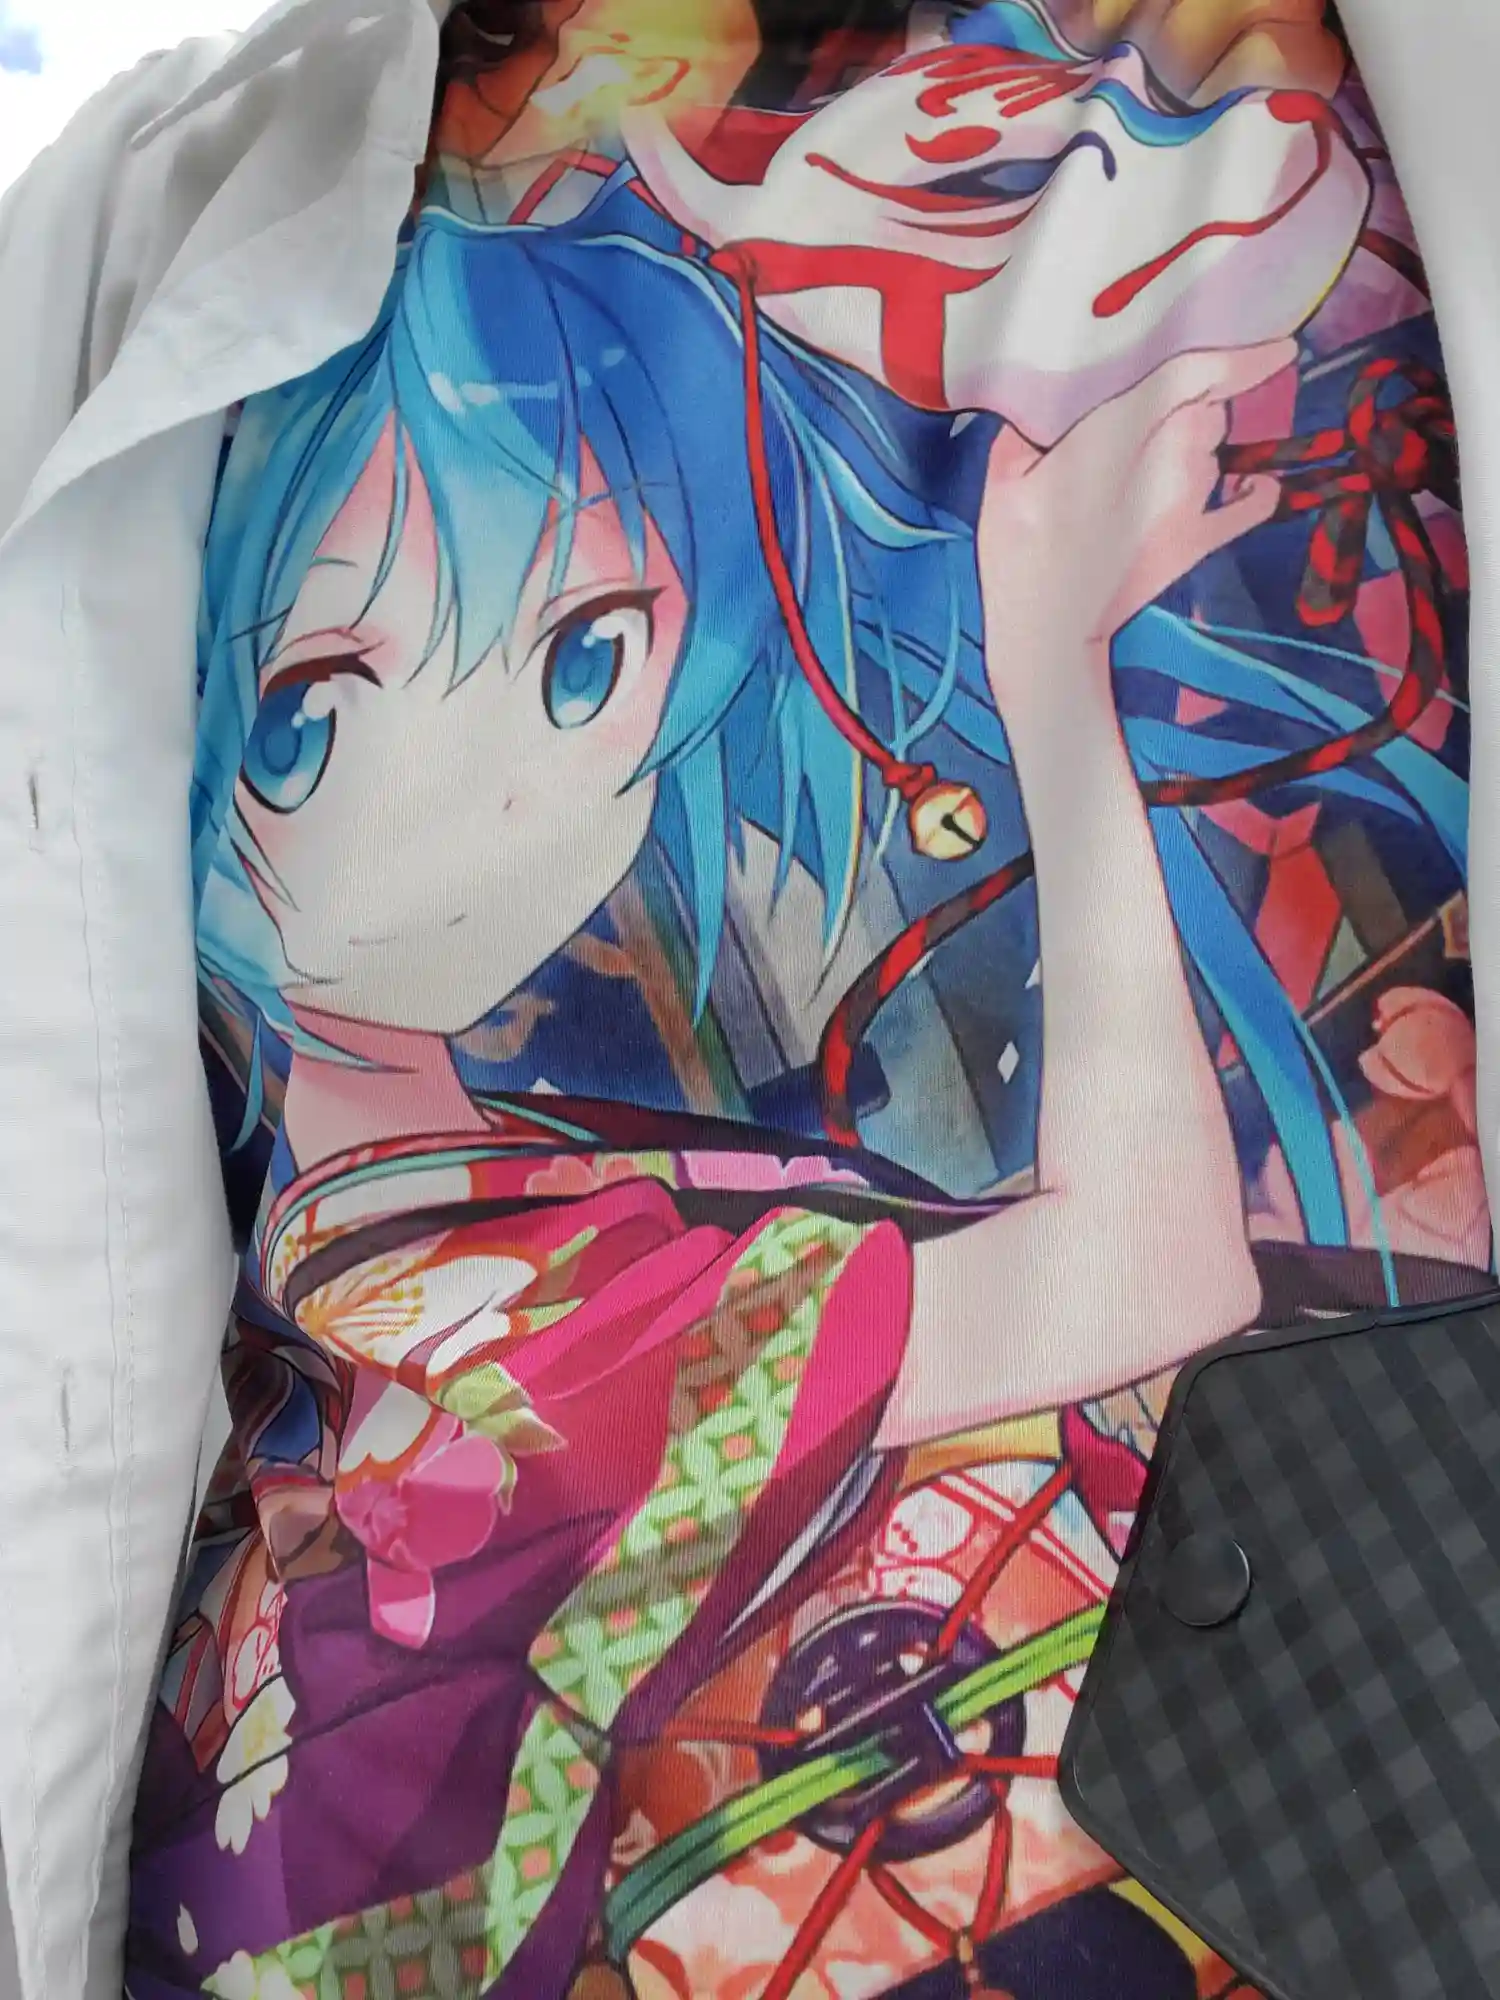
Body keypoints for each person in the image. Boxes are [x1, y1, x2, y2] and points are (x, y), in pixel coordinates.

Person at [0, 4, 1493, 1999]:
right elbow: (1134, 1269)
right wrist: (1051, 677)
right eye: (310, 712)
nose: (499, 794)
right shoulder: (151, 213)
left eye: (586, 662)